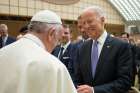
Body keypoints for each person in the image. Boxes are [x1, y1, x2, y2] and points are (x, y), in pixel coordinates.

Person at [0, 10, 77, 93]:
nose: (57, 44)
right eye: (58, 40)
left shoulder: (2, 52)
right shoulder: (54, 66)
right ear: (51, 33)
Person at [75, 6, 132, 93]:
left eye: (90, 21)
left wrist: (94, 90)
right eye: (83, 23)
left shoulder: (121, 46)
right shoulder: (82, 48)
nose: (85, 26)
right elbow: (78, 78)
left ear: (102, 20)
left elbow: (125, 82)